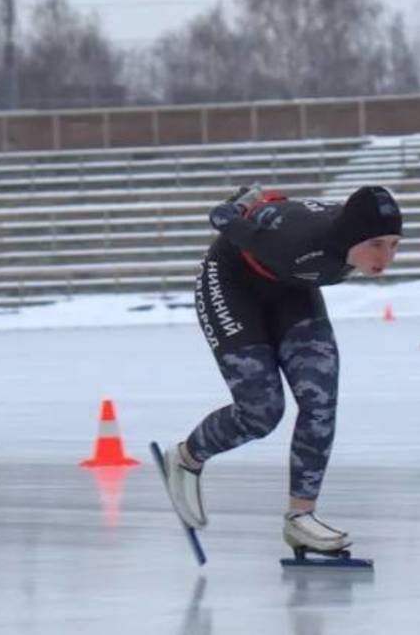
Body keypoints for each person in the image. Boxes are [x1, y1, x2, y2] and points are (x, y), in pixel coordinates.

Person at [163, 185, 402, 555]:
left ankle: (301, 519)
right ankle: (187, 457)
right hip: (232, 282)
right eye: (377, 244)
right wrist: (244, 201)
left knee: (320, 399)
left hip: (292, 286)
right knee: (261, 413)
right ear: (354, 235)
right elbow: (221, 218)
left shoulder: (341, 236)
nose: (387, 257)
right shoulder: (295, 238)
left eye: (394, 244)